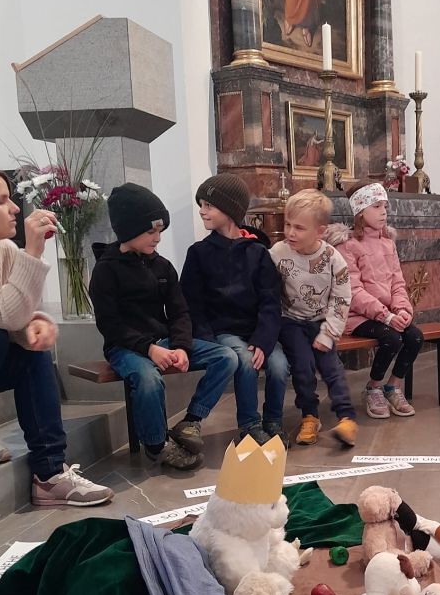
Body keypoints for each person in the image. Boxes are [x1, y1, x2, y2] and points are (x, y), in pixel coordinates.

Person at [0, 163, 113, 505]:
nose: (15, 208)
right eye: (1, 201)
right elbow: (3, 315)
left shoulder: (2, 251)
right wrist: (33, 252)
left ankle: (50, 474)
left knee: (32, 350)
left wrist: (33, 326)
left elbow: (18, 313)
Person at [89, 183, 237, 469]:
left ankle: (190, 421)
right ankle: (157, 445)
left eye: (160, 231)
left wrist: (181, 346)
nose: (157, 238)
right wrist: (149, 349)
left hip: (164, 341)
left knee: (226, 357)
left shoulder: (163, 266)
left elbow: (180, 311)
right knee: (147, 379)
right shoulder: (106, 270)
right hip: (126, 348)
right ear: (128, 230)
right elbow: (110, 324)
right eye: (150, 232)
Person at [180, 173, 288, 446]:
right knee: (245, 361)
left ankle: (273, 422)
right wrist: (206, 338)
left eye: (208, 205)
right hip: (224, 332)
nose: (202, 211)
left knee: (278, 365)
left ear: (230, 210)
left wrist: (263, 340)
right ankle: (249, 424)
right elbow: (191, 303)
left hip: (257, 332)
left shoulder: (258, 253)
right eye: (201, 205)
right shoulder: (198, 253)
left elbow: (270, 301)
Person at [270, 189, 357, 447]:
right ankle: (309, 415)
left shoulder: (333, 258)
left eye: (299, 228)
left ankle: (347, 418)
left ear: (320, 231)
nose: (290, 232)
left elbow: (341, 298)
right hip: (290, 322)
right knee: (303, 367)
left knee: (332, 369)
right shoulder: (277, 253)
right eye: (288, 224)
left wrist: (328, 333)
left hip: (322, 322)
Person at [327, 182, 421, 419]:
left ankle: (393, 386)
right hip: (356, 316)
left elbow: (397, 282)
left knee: (414, 336)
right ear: (360, 212)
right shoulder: (347, 245)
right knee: (392, 338)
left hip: (385, 313)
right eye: (376, 206)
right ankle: (373, 387)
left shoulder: (387, 243)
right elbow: (353, 291)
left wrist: (402, 309)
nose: (383, 212)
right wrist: (386, 316)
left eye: (385, 206)